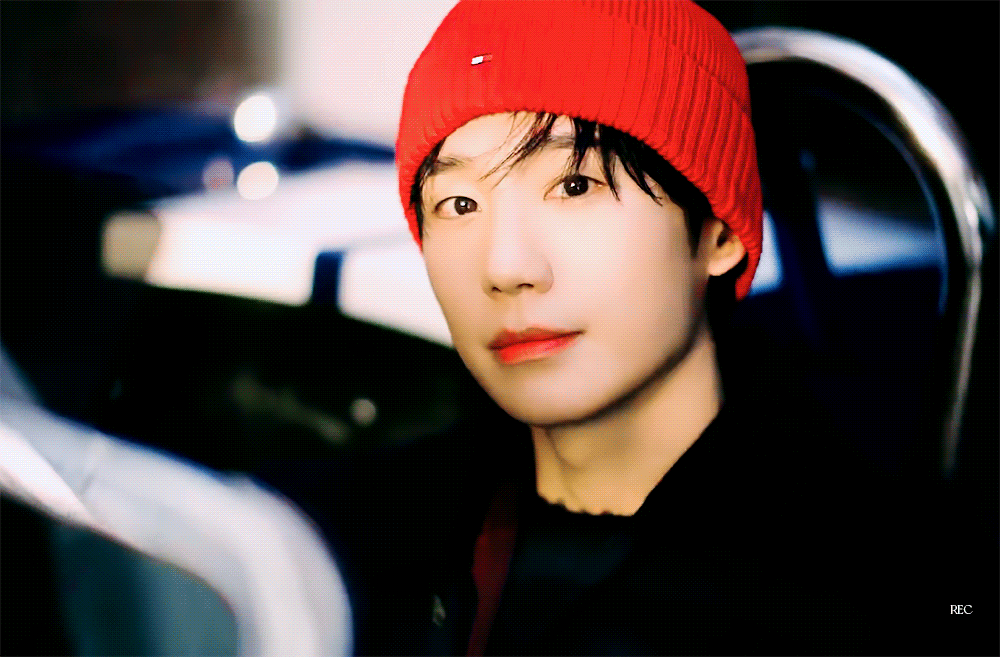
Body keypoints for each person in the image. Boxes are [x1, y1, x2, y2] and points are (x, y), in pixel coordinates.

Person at [264, 1, 992, 654]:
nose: (506, 266)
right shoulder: (366, 528)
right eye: (458, 205)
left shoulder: (858, 588)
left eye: (575, 185)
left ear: (718, 231)